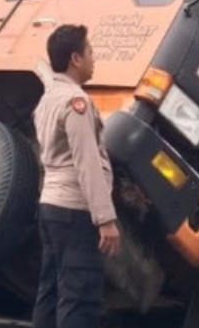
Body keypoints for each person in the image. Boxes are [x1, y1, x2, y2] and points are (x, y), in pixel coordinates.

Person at [32, 24, 121, 328]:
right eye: (90, 52)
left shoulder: (47, 99)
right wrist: (105, 219)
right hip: (75, 213)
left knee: (50, 292)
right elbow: (87, 162)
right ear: (76, 58)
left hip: (51, 208)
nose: (94, 58)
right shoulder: (75, 102)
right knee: (80, 299)